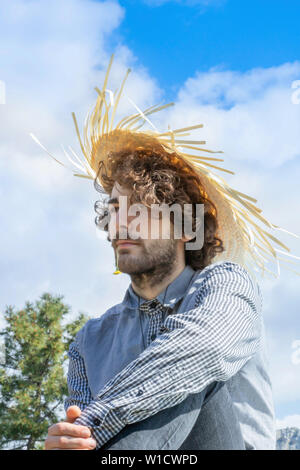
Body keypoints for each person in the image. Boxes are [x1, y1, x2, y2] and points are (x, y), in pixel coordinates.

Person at [40, 54, 299, 451]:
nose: (120, 225)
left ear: (185, 225)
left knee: (185, 369)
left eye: (139, 210)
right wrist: (68, 440)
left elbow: (205, 347)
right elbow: (83, 431)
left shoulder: (226, 285)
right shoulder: (88, 340)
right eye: (113, 211)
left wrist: (96, 422)